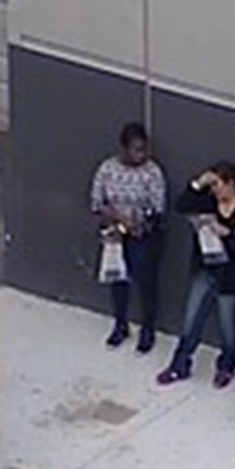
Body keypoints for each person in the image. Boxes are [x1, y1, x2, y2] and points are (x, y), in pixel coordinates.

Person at [158, 161, 235, 388]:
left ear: (231, 184)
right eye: (211, 185)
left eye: (217, 184)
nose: (214, 190)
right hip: (205, 269)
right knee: (191, 319)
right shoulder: (207, 203)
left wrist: (226, 235)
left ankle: (227, 364)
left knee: (228, 325)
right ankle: (180, 364)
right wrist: (197, 184)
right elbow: (182, 205)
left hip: (230, 277)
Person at [89, 121, 168, 353]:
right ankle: (120, 323)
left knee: (146, 282)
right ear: (123, 149)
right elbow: (96, 201)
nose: (140, 154)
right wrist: (114, 217)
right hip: (115, 233)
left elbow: (158, 207)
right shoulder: (107, 169)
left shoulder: (152, 172)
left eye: (144, 149)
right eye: (136, 149)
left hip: (142, 235)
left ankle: (148, 328)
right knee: (118, 280)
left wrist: (138, 222)